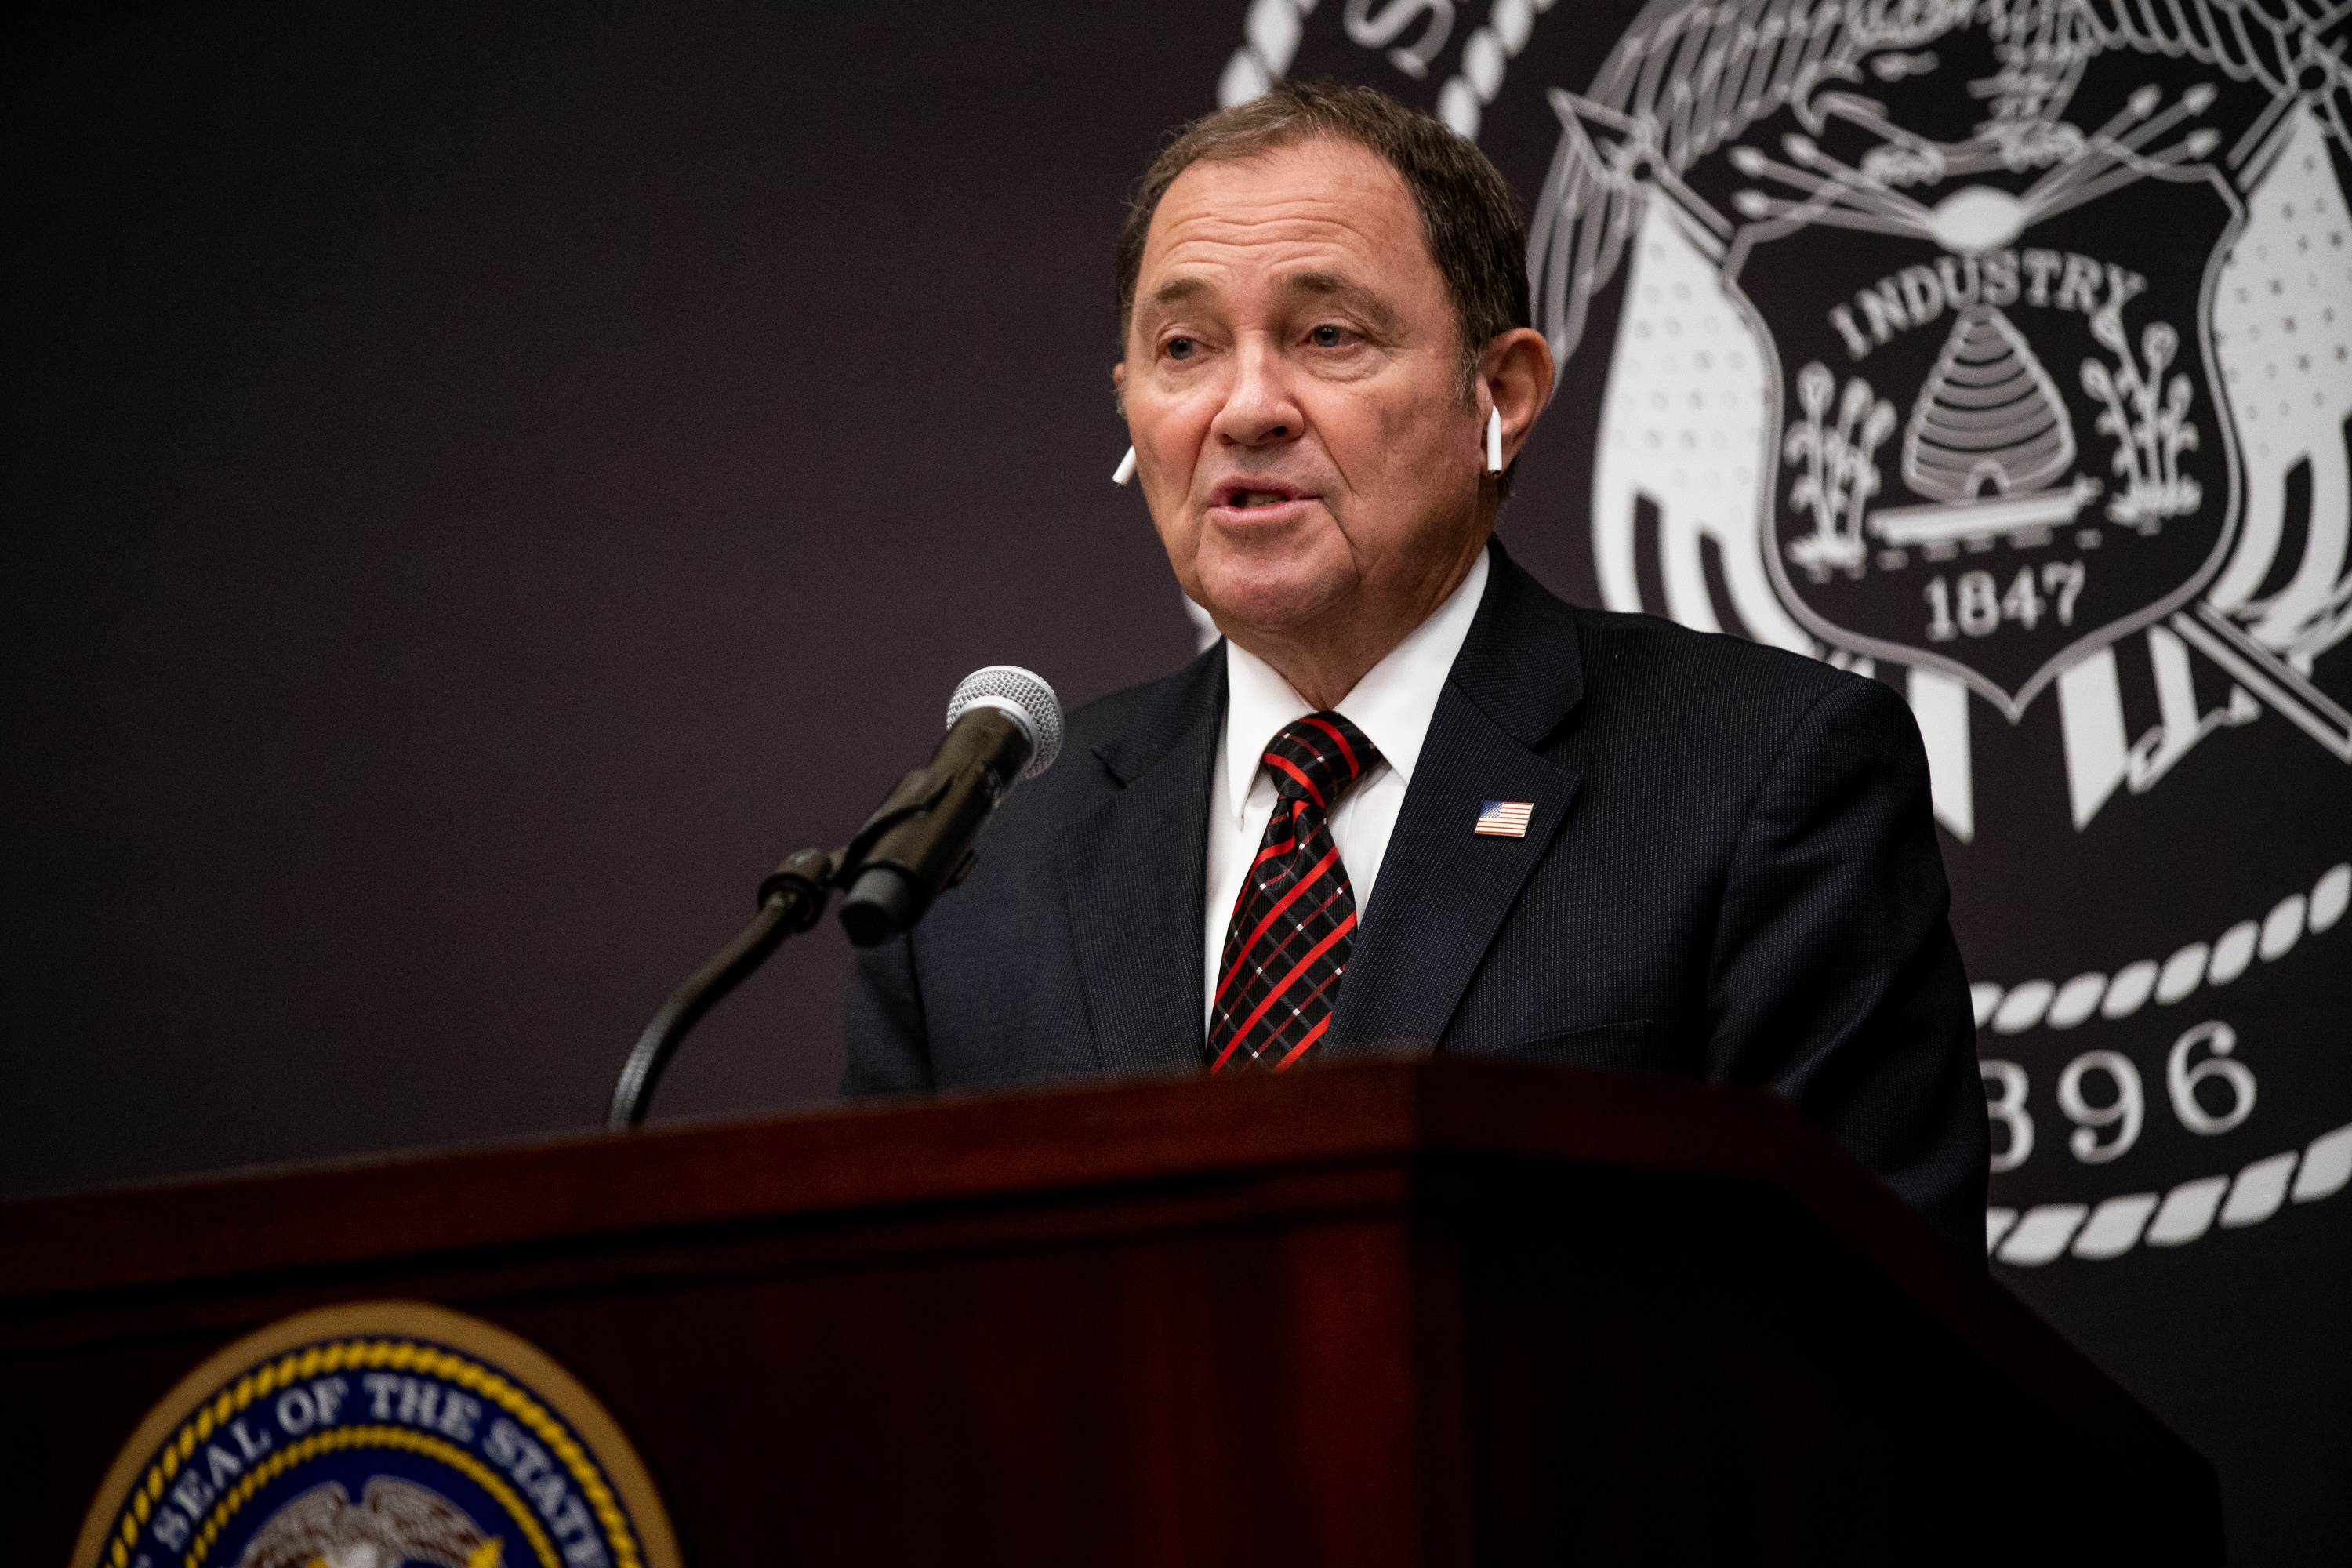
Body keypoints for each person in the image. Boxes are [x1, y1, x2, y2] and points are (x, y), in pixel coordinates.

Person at [844, 82, 1987, 1255]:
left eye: (1327, 335)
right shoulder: (980, 869)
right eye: (1183, 348)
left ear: (1502, 395)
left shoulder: (1763, 777)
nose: (1244, 409)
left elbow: (1866, 1347)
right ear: (1131, 411)